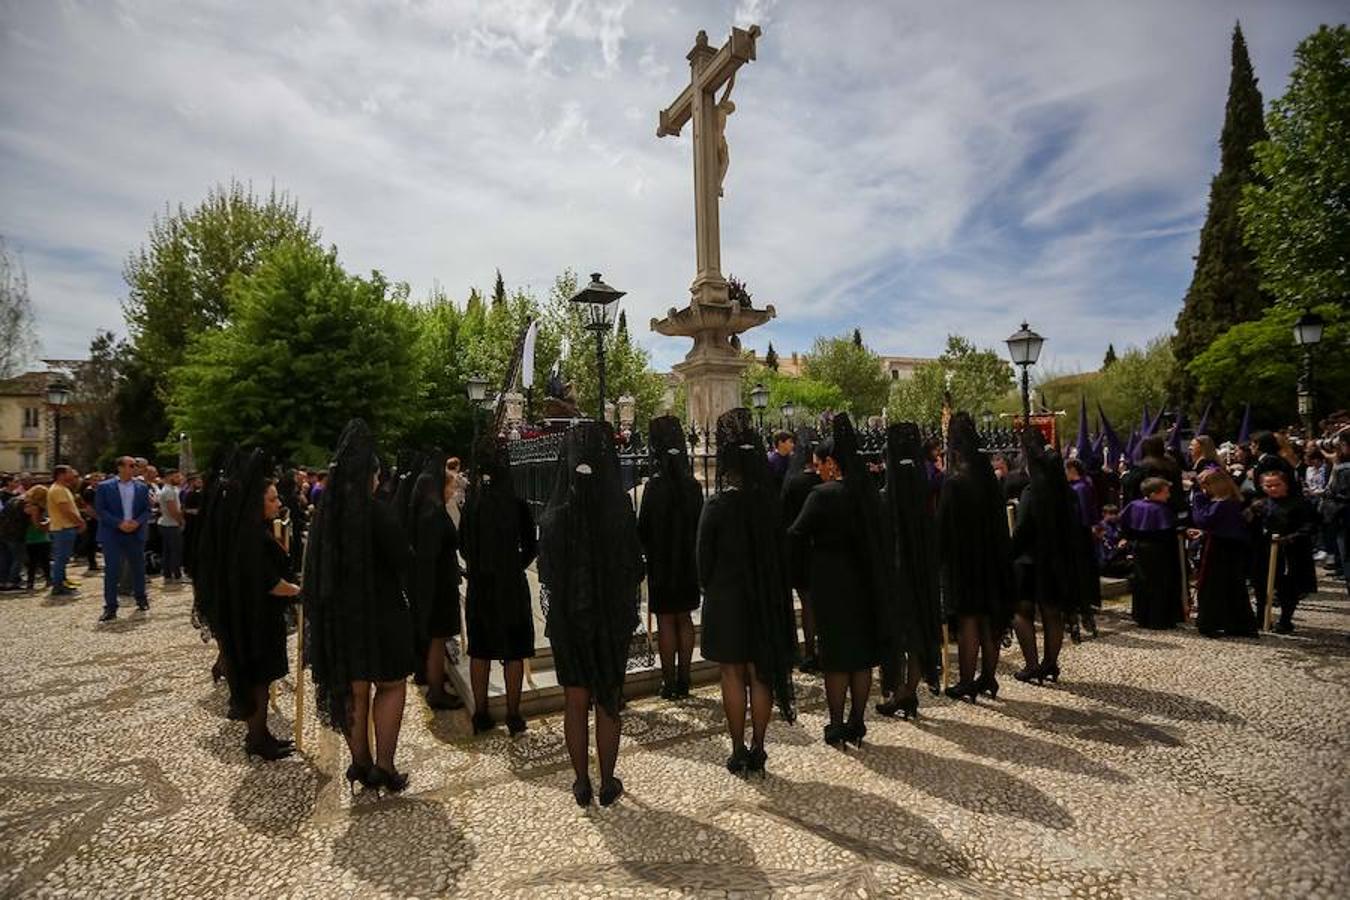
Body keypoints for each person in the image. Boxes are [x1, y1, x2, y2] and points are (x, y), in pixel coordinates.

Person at [304, 420, 416, 794]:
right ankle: (384, 765)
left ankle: (360, 762)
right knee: (390, 685)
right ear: (369, 475)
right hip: (382, 614)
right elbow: (404, 558)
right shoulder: (378, 512)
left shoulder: (325, 518)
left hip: (341, 617)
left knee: (353, 690)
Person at [538, 421, 642, 807]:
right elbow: (636, 567)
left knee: (575, 700)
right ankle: (608, 780)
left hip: (568, 620)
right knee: (608, 699)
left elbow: (546, 575)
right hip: (610, 620)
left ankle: (581, 781)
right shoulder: (620, 514)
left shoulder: (552, 520)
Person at [698, 409, 796, 774]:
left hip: (726, 599)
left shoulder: (717, 506)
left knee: (732, 674)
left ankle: (738, 747)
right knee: (761, 674)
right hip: (764, 597)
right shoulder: (770, 504)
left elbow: (702, 563)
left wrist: (713, 585)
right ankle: (759, 746)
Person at [789, 413, 889, 746]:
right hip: (864, 579)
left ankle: (835, 724)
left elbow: (795, 533)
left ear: (832, 462)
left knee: (836, 657)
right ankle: (857, 721)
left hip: (831, 580)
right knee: (861, 656)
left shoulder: (823, 495)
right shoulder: (870, 493)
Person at [198, 450, 302, 759]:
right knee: (258, 678)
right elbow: (269, 582)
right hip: (255, 619)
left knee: (262, 678)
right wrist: (298, 590)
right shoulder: (251, 538)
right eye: (271, 500)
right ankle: (257, 739)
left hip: (254, 615)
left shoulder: (252, 531)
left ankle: (261, 734)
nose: (278, 504)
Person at [937, 412, 1015, 702]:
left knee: (970, 620)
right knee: (989, 619)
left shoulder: (955, 483)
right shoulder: (989, 481)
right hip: (992, 558)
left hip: (965, 561)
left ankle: (968, 681)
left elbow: (943, 528)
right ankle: (988, 677)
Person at [462, 438, 537, 735]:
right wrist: (513, 565)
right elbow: (531, 545)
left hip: (480, 584)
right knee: (514, 651)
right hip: (510, 584)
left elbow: (463, 546)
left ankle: (481, 713)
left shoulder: (471, 506)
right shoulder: (516, 504)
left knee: (480, 650)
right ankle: (513, 714)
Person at [1011, 432, 1095, 684]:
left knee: (1021, 611)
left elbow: (1023, 527)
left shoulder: (1031, 491)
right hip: (1057, 558)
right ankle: (1050, 663)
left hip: (1029, 560)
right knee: (1052, 612)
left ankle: (1032, 664)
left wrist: (1010, 549)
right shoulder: (1065, 492)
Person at [875, 422, 942, 719]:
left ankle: (900, 691)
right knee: (916, 637)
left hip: (894, 579)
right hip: (921, 576)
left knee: (898, 638)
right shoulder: (922, 494)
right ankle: (909, 692)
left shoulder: (885, 498)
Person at [638, 416, 704, 700]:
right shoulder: (694, 486)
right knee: (685, 618)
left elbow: (643, 529)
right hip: (688, 561)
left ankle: (669, 681)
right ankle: (685, 678)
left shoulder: (654, 487)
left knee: (666, 620)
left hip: (662, 562)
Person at [406, 452, 464, 712]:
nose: (454, 490)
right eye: (451, 485)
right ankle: (436, 691)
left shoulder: (432, 509)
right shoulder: (433, 514)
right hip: (438, 586)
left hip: (441, 582)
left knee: (439, 638)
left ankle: (436, 684)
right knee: (438, 638)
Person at [1188, 467, 1258, 637]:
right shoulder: (1235, 502)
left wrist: (1198, 499)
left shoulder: (1221, 504)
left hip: (1218, 547)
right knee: (1233, 585)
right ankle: (1235, 623)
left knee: (1211, 585)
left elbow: (1203, 520)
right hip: (1232, 546)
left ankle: (1211, 622)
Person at [1249, 469, 1318, 634]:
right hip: (1264, 550)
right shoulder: (1261, 503)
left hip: (1290, 552)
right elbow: (1250, 525)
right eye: (1268, 485)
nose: (1273, 489)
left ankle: (1285, 620)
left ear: (1286, 484)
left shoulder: (1300, 503)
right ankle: (1261, 618)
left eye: (1277, 485)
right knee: (1260, 585)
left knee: (1288, 588)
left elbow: (1310, 525)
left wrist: (1290, 538)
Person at [780, 427, 823, 671]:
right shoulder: (823, 482)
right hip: (822, 548)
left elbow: (784, 518)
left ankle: (809, 651)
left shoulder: (794, 483)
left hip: (799, 549)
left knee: (807, 602)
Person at [1119, 477, 1183, 630]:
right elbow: (1169, 529)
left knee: (1142, 582)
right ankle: (1159, 618)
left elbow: (1125, 525)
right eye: (1165, 492)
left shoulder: (1134, 505)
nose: (1168, 496)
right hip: (1160, 550)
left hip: (1140, 548)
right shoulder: (1160, 510)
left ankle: (1142, 616)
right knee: (1159, 584)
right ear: (1154, 494)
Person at [94, 458, 151, 622]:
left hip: (135, 532)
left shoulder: (141, 487)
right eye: (132, 465)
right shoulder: (105, 487)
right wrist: (119, 524)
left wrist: (136, 522)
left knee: (138, 568)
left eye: (136, 466)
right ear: (120, 467)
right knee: (112, 571)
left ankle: (141, 598)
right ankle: (110, 607)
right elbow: (101, 510)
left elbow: (147, 510)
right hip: (113, 533)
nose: (135, 468)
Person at [46, 466, 84, 598]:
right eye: (69, 472)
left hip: (64, 528)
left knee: (63, 558)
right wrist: (80, 522)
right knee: (61, 558)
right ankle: (57, 586)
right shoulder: (58, 490)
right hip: (63, 528)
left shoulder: (63, 489)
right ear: (61, 475)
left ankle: (61, 582)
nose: (72, 474)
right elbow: (66, 511)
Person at [157, 470, 185, 585]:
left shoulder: (173, 489)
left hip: (168, 524)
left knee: (168, 550)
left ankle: (168, 573)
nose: (179, 479)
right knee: (175, 550)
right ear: (169, 477)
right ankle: (176, 574)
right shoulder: (168, 491)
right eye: (176, 477)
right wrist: (180, 521)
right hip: (170, 524)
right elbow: (172, 509)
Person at [22, 486, 51, 591]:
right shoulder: (35, 507)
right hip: (39, 537)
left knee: (32, 563)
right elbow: (37, 524)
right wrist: (47, 522)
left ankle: (30, 583)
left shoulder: (25, 505)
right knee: (44, 561)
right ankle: (48, 580)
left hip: (28, 537)